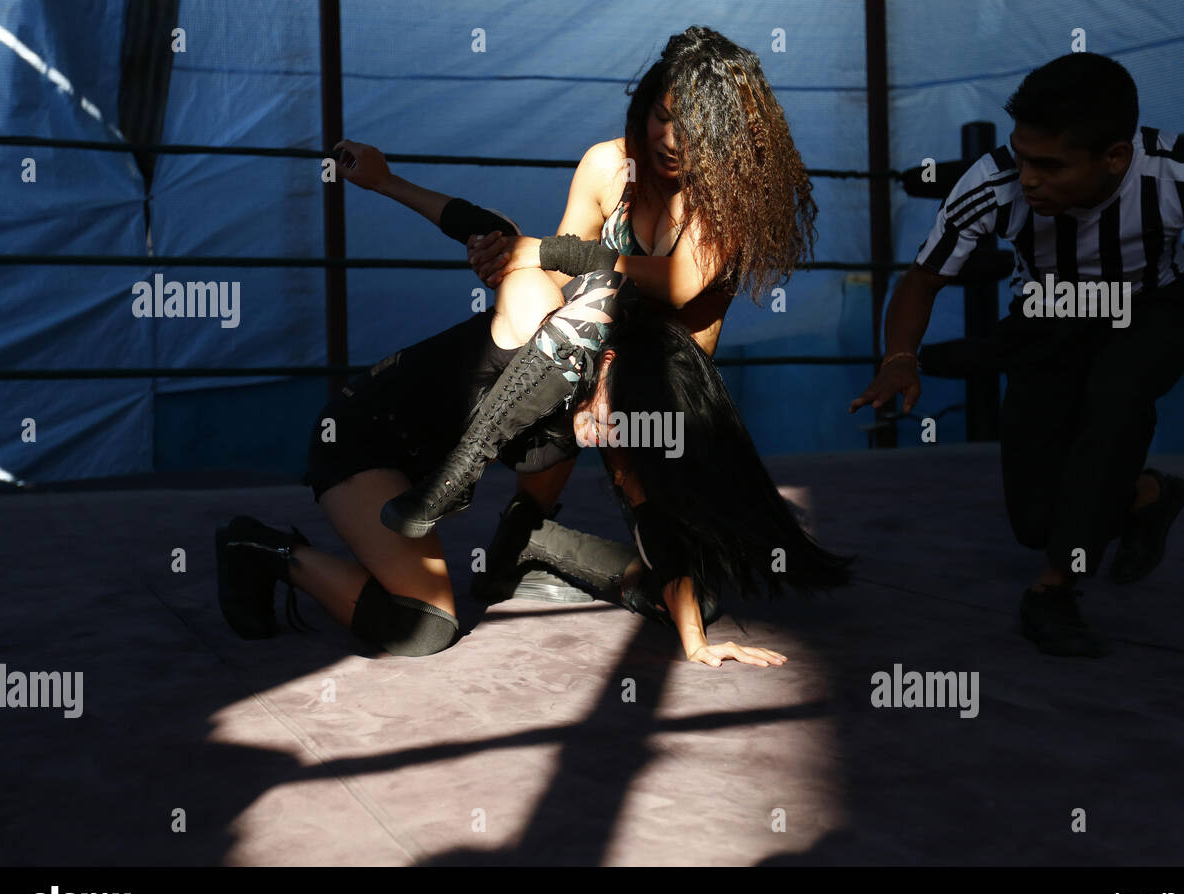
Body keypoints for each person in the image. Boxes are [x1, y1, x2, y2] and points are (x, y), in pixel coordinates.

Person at [214, 197, 851, 664]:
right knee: (424, 628)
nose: (606, 434)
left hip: (430, 469)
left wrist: (696, 641)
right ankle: (262, 550)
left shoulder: (618, 409)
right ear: (606, 362)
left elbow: (653, 515)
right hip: (362, 439)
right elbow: (491, 230)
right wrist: (386, 182)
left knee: (679, 578)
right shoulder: (538, 306)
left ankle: (522, 544)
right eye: (614, 417)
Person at [366, 25, 819, 610]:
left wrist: (546, 253)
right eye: (661, 117)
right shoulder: (608, 166)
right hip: (590, 359)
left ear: (723, 136)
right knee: (545, 308)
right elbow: (559, 281)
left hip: (665, 392)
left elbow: (678, 283)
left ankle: (530, 543)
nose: (670, 140)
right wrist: (507, 260)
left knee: (692, 602)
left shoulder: (728, 194)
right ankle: (473, 490)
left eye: (692, 129)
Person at [849, 52, 1184, 657]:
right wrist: (899, 357)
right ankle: (1145, 494)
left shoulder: (1183, 169)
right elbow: (923, 278)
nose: (1028, 179)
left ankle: (1052, 592)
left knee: (1114, 406)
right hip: (1048, 316)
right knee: (1034, 521)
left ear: (1116, 157)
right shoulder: (992, 182)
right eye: (1022, 157)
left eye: (1049, 165)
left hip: (1148, 309)